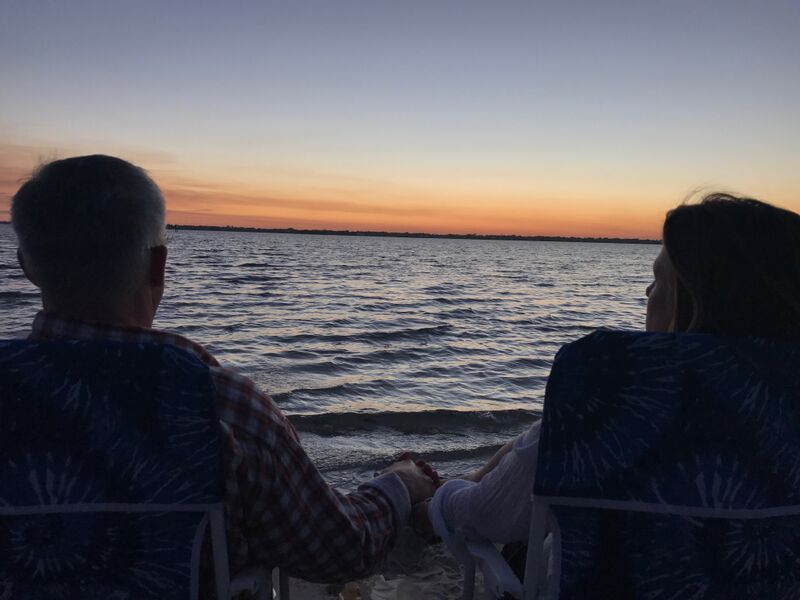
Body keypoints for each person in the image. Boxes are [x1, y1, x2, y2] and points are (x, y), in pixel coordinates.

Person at [9, 154, 437, 585]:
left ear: (27, 267)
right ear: (158, 265)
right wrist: (399, 485)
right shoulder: (222, 407)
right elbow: (341, 550)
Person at [418, 193, 800, 576]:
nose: (647, 294)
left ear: (695, 301)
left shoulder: (616, 398)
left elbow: (487, 516)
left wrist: (442, 498)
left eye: (658, 280)